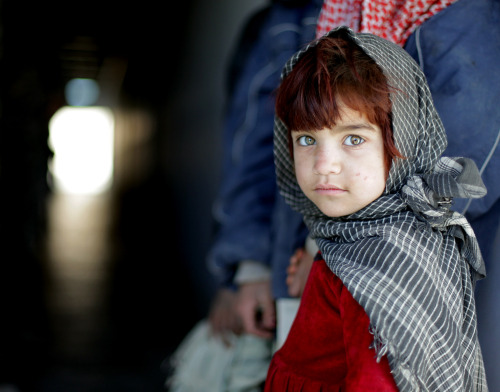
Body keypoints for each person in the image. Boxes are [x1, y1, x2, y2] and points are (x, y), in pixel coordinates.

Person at [264, 27, 488, 390]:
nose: (324, 164)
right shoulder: (367, 236)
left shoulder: (376, 265)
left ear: (404, 138)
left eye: (354, 139)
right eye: (306, 139)